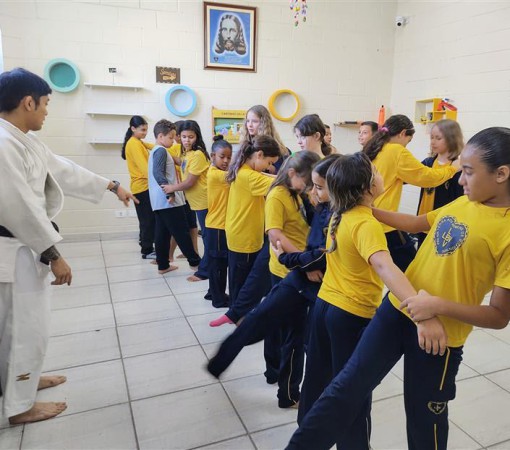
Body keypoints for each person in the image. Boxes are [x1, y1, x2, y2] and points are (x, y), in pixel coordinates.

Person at [287, 127, 510, 450]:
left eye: (468, 172)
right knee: (346, 388)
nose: (460, 180)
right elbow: (419, 224)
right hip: (397, 310)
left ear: (502, 174)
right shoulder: (465, 203)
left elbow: (499, 315)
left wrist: (436, 307)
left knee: (424, 418)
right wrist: (362, 208)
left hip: (439, 337)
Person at [0, 67, 137, 424]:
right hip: (12, 251)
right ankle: (19, 406)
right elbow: (19, 208)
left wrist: (110, 185)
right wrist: (53, 254)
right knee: (23, 329)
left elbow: (61, 169)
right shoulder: (2, 143)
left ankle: (21, 385)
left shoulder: (20, 138)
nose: (47, 111)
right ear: (27, 102)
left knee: (22, 327)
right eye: (45, 104)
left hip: (21, 250)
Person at [207, 156, 337, 403]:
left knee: (287, 334)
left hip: (303, 272)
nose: (312, 189)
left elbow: (315, 242)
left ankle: (286, 391)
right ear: (292, 174)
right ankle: (271, 378)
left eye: (318, 186)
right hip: (291, 271)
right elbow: (276, 234)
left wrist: (303, 262)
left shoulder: (306, 199)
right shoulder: (280, 195)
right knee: (266, 323)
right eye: (310, 183)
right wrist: (301, 262)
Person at [362, 114, 459, 271]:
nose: (433, 142)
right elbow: (427, 177)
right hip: (384, 221)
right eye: (408, 140)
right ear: (402, 133)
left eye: (438, 138)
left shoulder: (376, 147)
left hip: (371, 216)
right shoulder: (398, 152)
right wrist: (453, 168)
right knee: (412, 269)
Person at [209, 135, 280, 328]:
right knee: (241, 280)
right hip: (243, 235)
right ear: (258, 154)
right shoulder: (249, 176)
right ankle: (238, 317)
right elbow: (279, 184)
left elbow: (267, 177)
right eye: (268, 162)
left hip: (243, 233)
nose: (268, 167)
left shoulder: (244, 170)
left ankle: (240, 313)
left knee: (242, 277)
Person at [147, 119, 201, 274]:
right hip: (168, 200)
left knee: (162, 234)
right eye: (171, 138)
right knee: (181, 232)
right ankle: (196, 263)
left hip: (159, 201)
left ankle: (163, 265)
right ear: (160, 136)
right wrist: (169, 192)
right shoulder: (161, 151)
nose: (174, 140)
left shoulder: (156, 151)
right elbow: (158, 173)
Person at [162, 120, 210, 283]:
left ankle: (205, 271)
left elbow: (190, 182)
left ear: (197, 137)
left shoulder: (198, 154)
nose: (187, 140)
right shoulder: (186, 153)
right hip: (195, 202)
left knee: (208, 238)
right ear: (179, 137)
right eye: (183, 137)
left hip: (205, 201)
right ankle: (206, 267)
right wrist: (162, 151)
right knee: (206, 236)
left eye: (191, 137)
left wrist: (172, 188)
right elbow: (181, 162)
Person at [416, 119, 464, 247]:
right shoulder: (428, 163)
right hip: (422, 222)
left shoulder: (458, 168)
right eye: (431, 137)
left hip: (444, 226)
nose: (433, 142)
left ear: (451, 139)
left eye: (438, 138)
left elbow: (460, 199)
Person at [122, 115, 156, 259]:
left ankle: (146, 244)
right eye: (142, 130)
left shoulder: (137, 141)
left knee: (147, 219)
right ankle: (147, 250)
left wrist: (161, 144)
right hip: (142, 188)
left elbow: (152, 146)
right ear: (133, 128)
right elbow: (144, 168)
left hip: (142, 187)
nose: (145, 133)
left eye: (146, 130)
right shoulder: (134, 144)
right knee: (147, 220)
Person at [205, 135, 232, 308]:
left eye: (229, 157)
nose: (226, 161)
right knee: (219, 265)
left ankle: (212, 293)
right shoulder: (216, 174)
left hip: (218, 225)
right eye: (222, 157)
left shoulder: (219, 172)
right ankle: (218, 299)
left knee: (217, 263)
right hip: (217, 226)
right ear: (212, 156)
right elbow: (238, 175)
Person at [240, 104, 290, 173]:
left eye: (254, 121)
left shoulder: (278, 149)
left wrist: (270, 167)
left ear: (264, 123)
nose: (250, 125)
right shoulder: (245, 145)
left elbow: (282, 175)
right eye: (248, 121)